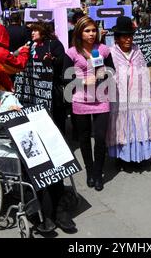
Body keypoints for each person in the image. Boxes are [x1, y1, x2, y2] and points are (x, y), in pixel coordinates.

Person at [0, 66, 76, 234]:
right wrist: (4, 114)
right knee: (31, 164)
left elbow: (23, 117)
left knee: (52, 159)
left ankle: (60, 211)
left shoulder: (8, 96)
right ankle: (40, 215)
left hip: (18, 138)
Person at [63, 16, 114, 191]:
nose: (92, 34)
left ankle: (99, 173)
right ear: (79, 32)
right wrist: (83, 82)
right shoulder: (71, 53)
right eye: (87, 31)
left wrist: (104, 74)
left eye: (93, 30)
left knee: (100, 138)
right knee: (84, 139)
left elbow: (112, 71)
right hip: (80, 101)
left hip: (102, 99)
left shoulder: (103, 49)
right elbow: (65, 77)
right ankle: (90, 171)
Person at [107, 16, 151, 165]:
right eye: (124, 36)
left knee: (139, 124)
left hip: (138, 97)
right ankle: (121, 157)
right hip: (120, 98)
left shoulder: (137, 51)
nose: (128, 39)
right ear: (117, 38)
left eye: (130, 36)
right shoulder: (111, 53)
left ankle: (139, 155)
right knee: (121, 125)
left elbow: (143, 71)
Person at [14, 22, 66, 134]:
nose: (32, 33)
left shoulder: (54, 44)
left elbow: (62, 62)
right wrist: (19, 51)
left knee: (56, 117)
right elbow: (16, 56)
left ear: (43, 32)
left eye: (35, 30)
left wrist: (52, 60)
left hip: (52, 89)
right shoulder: (29, 44)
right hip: (34, 91)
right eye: (32, 30)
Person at [0, 23, 30, 92]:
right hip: (0, 87)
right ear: (3, 34)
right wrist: (24, 51)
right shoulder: (2, 52)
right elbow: (19, 65)